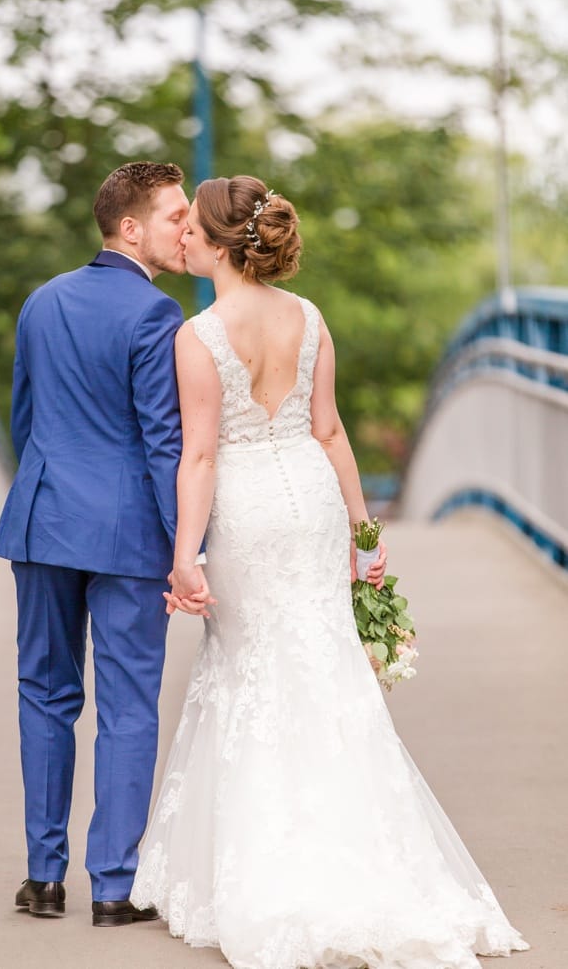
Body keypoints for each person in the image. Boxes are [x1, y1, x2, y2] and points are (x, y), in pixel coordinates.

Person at [131, 176, 528, 967]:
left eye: (192, 233)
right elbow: (331, 429)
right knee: (324, 659)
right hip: (310, 503)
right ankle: (368, 849)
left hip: (246, 509)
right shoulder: (309, 319)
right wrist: (364, 533)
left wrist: (185, 555)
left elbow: (201, 454)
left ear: (215, 244)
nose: (183, 243)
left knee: (249, 668)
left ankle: (268, 867)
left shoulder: (197, 335)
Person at [0, 161, 201, 925]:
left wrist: (45, 492)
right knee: (128, 705)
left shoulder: (41, 303)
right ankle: (112, 885)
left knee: (44, 694)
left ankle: (44, 876)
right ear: (132, 227)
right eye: (176, 215)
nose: (188, 227)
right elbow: (163, 442)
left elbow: (25, 419)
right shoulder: (156, 316)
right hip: (126, 534)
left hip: (43, 519)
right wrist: (187, 552)